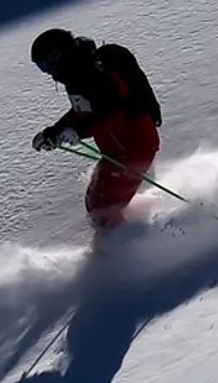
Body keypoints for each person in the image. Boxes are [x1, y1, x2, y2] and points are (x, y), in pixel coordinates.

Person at [29, 28, 163, 231]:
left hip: (134, 147)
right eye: (41, 67)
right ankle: (126, 242)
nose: (47, 72)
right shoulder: (77, 75)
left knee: (103, 210)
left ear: (59, 56)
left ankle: (137, 250)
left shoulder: (92, 74)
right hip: (117, 151)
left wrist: (78, 132)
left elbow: (115, 112)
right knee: (96, 205)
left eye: (45, 65)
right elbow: (82, 111)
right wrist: (54, 132)